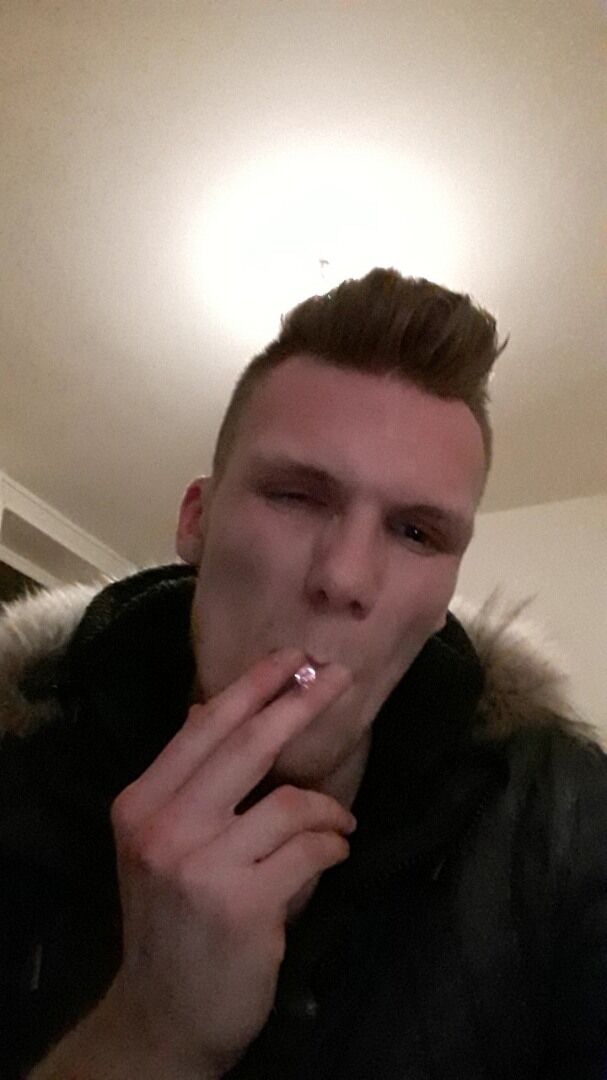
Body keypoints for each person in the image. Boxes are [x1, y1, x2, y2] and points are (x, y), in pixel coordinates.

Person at [1, 268, 605, 1079]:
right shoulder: (20, 777)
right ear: (196, 521)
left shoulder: (558, 821)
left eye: (417, 534)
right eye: (295, 496)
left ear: (446, 593)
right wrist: (148, 1033)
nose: (344, 578)